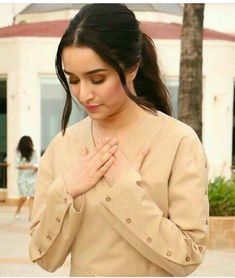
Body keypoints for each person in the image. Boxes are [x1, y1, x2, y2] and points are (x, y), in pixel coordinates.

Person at [29, 4, 209, 277]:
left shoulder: (178, 142)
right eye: (74, 80)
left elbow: (188, 256)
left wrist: (127, 191)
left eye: (97, 78)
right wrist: (66, 189)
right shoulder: (63, 146)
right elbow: (44, 258)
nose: (84, 94)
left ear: (133, 67)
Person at [15, 136, 38, 220]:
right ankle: (17, 210)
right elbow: (18, 165)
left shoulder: (33, 152)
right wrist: (30, 166)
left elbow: (36, 163)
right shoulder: (18, 153)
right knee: (23, 196)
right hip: (22, 178)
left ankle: (31, 216)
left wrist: (35, 167)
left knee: (32, 196)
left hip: (32, 178)